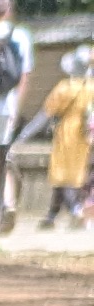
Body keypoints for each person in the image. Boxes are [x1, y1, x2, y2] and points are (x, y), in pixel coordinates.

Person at [44, 53, 93, 230]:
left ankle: (76, 211)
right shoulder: (91, 87)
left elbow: (49, 109)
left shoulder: (65, 87)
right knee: (75, 174)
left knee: (61, 174)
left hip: (67, 131)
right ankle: (51, 215)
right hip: (84, 133)